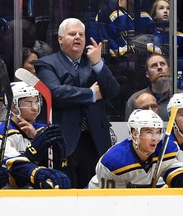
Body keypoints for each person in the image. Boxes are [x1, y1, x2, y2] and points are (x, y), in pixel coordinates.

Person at [34, 18, 120, 188]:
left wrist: (99, 63)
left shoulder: (94, 62)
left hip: (95, 141)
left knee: (94, 199)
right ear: (60, 39)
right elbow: (55, 93)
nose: (78, 38)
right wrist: (91, 94)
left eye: (81, 34)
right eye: (72, 34)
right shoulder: (46, 63)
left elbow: (112, 91)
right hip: (65, 142)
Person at [88, 109, 183, 205]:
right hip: (95, 201)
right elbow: (110, 203)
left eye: (157, 132)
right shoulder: (114, 162)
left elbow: (176, 175)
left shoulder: (165, 149)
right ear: (134, 133)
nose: (155, 138)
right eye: (149, 132)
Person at [0, 81, 67, 170]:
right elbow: (15, 170)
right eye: (29, 103)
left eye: (36, 102)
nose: (35, 108)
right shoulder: (0, 133)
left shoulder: (43, 129)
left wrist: (59, 151)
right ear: (13, 107)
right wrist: (37, 142)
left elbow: (58, 168)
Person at [125, 53, 182, 121]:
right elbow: (129, 129)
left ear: (168, 70)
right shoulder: (136, 100)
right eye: (154, 66)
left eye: (162, 64)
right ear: (147, 74)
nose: (159, 68)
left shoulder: (182, 98)